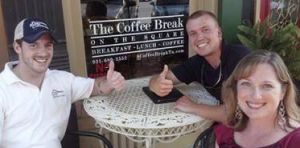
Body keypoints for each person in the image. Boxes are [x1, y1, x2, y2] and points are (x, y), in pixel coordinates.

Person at [0, 18, 125, 147]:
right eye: (33, 45)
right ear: (17, 47)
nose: (43, 53)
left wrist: (109, 83)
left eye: (48, 45)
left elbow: (96, 87)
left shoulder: (61, 80)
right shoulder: (3, 89)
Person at [148, 10, 251, 122]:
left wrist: (194, 107)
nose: (199, 37)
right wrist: (155, 84)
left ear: (219, 33)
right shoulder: (197, 63)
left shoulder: (241, 58)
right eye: (193, 33)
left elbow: (237, 114)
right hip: (226, 128)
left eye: (205, 30)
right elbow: (162, 78)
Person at [215, 51, 300, 148]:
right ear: (236, 88)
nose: (255, 96)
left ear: (283, 92)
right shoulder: (225, 132)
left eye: (267, 86)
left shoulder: (296, 141)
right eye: (246, 84)